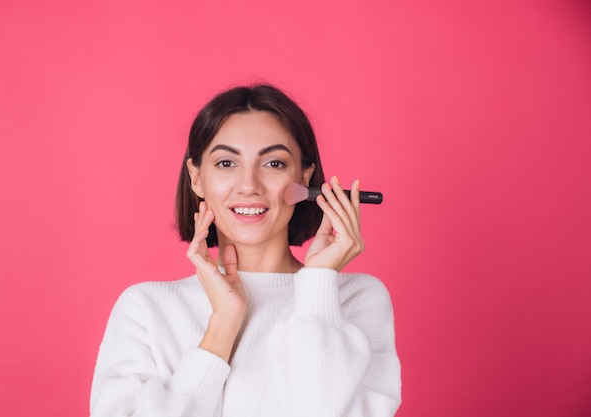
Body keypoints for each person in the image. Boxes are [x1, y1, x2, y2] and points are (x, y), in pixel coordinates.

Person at [90, 84, 401, 417]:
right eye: (226, 163)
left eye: (274, 164)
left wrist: (318, 285)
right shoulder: (146, 310)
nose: (249, 184)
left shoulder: (355, 299)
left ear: (305, 177)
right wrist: (222, 326)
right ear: (197, 177)